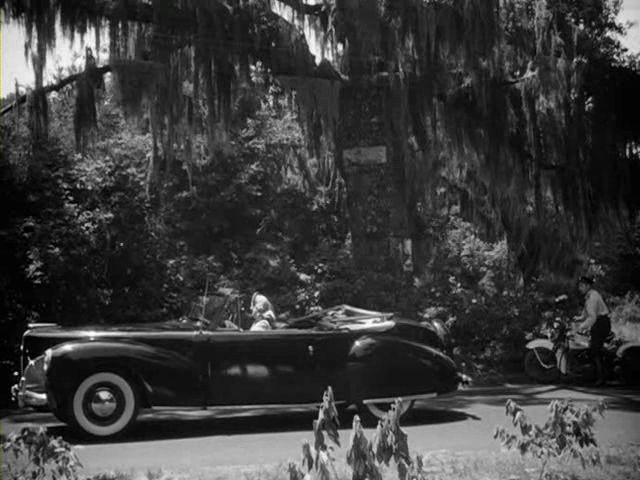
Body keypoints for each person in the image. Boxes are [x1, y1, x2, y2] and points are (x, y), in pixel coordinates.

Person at [574, 276, 611, 386]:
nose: (579, 288)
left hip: (601, 323)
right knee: (590, 346)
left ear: (587, 286)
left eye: (581, 286)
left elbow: (592, 317)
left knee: (594, 349)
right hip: (599, 322)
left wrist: (581, 327)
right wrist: (579, 318)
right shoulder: (590, 295)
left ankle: (601, 378)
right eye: (579, 285)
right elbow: (587, 313)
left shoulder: (592, 297)